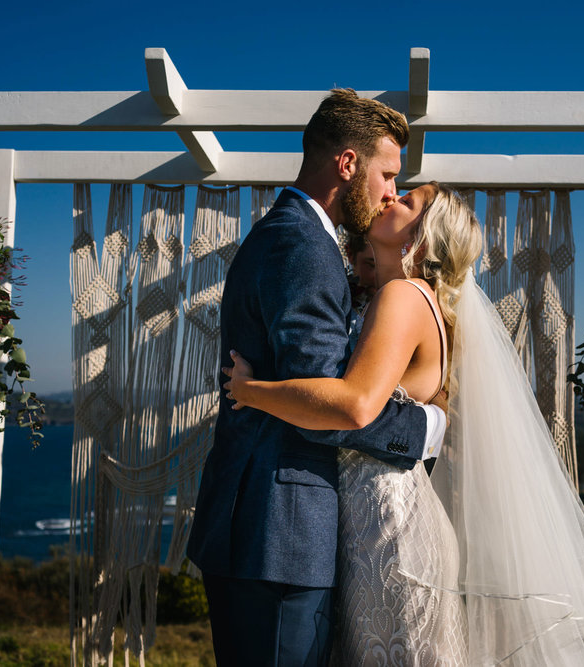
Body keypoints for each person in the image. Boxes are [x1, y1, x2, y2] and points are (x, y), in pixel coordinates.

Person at [225, 183, 584, 665]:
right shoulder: (412, 299)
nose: (390, 199)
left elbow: (354, 405)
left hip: (386, 524)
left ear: (421, 240)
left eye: (406, 202)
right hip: (383, 515)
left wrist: (251, 391)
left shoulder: (403, 297)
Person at [185, 89, 448, 666]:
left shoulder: (302, 238)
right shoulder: (302, 244)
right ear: (347, 163)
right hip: (277, 534)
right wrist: (426, 428)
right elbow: (331, 406)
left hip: (271, 531)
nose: (389, 193)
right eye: (386, 174)